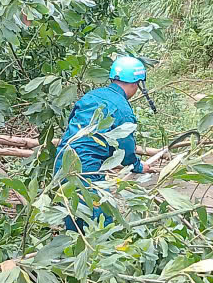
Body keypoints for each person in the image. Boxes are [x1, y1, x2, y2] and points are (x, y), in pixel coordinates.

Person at [54, 55, 151, 231]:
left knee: (73, 214)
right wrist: (137, 166)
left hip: (62, 159)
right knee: (102, 227)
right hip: (86, 169)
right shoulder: (123, 110)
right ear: (136, 83)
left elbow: (72, 124)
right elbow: (125, 149)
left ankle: (71, 251)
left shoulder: (92, 95)